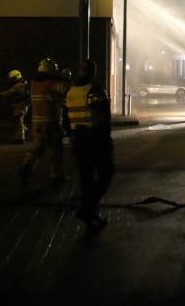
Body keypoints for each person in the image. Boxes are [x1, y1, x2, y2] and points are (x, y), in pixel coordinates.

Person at [66, 59, 114, 235]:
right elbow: (104, 115)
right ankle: (88, 209)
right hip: (95, 140)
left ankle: (91, 218)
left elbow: (65, 117)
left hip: (78, 141)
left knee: (86, 179)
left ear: (79, 71)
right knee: (106, 173)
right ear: (93, 71)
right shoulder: (94, 90)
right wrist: (105, 137)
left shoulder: (71, 92)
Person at [18, 58, 71, 186]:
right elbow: (66, 89)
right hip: (51, 121)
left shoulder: (32, 83)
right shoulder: (51, 83)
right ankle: (57, 176)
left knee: (37, 148)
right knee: (56, 149)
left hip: (36, 121)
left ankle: (26, 169)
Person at [0, 70, 30, 144]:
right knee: (15, 119)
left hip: (20, 104)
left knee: (18, 119)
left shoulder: (18, 85)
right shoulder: (23, 83)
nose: (11, 80)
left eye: (12, 78)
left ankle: (20, 138)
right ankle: (24, 131)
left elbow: (9, 93)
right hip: (22, 104)